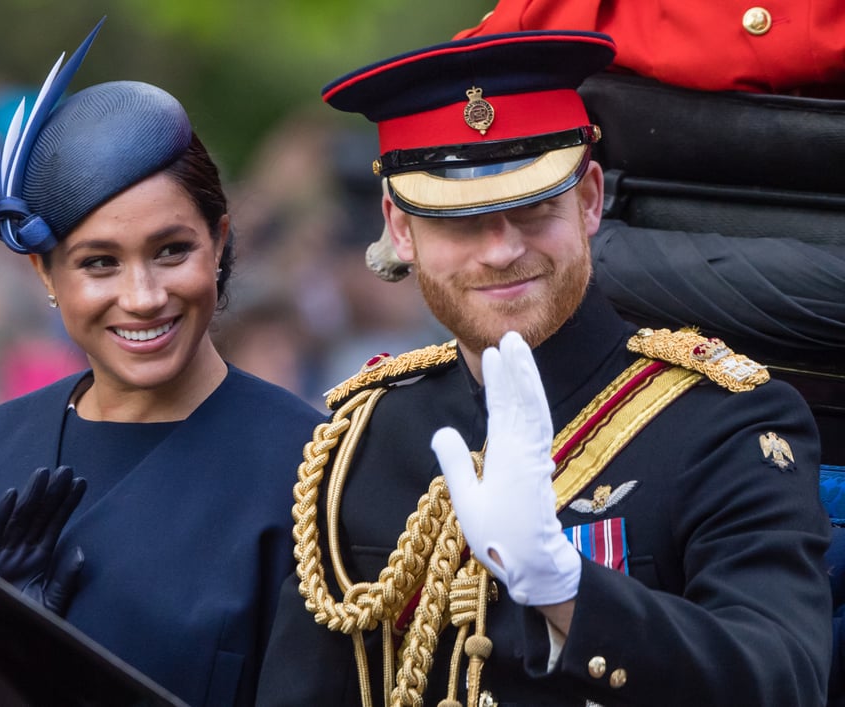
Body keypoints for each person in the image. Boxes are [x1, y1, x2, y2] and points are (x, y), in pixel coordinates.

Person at [256, 29, 832, 707]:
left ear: (589, 199)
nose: (502, 251)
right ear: (401, 229)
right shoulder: (362, 437)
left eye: (532, 210)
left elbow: (781, 680)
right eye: (461, 222)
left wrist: (569, 591)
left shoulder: (726, 420)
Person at [0, 19, 323, 707]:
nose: (144, 297)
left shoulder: (315, 479)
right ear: (45, 273)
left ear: (218, 242)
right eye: (99, 263)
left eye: (171, 251)